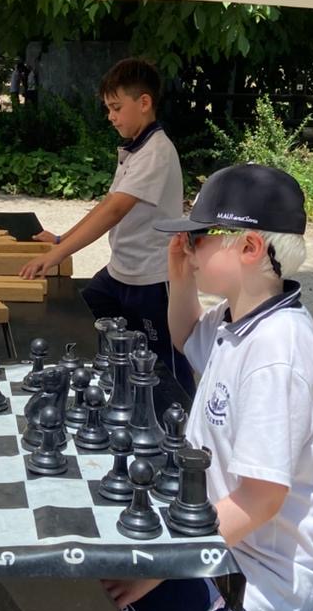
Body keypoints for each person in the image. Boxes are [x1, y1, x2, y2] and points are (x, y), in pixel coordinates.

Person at [52, 161, 313, 611]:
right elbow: (183, 338)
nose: (191, 244)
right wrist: (181, 273)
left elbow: (260, 501)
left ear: (251, 246)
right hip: (223, 543)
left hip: (257, 574)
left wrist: (163, 566)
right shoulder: (245, 317)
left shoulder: (278, 355)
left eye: (203, 237)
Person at [20, 57, 192, 394]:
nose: (110, 116)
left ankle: (187, 418)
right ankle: (119, 389)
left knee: (167, 361)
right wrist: (60, 239)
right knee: (83, 311)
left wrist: (56, 255)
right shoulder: (136, 149)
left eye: (116, 107)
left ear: (144, 103)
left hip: (152, 279)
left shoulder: (156, 152)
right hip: (120, 272)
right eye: (108, 108)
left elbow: (114, 210)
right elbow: (106, 205)